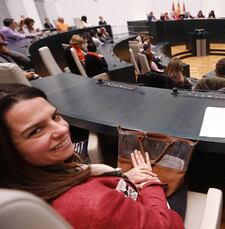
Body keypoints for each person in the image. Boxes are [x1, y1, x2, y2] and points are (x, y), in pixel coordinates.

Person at [0, 84, 184, 228]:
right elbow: (167, 226)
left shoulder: (26, 183)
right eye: (36, 131)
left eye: (55, 116)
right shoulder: (93, 204)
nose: (62, 129)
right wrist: (149, 184)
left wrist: (126, 178)